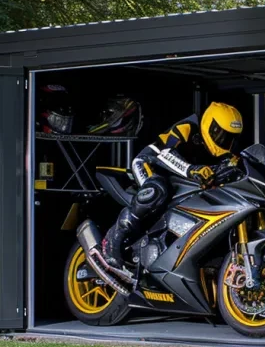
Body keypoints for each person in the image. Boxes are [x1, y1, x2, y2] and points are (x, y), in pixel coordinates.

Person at [100, 101, 243, 269]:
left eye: (230, 137)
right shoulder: (188, 127)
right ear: (208, 124)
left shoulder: (226, 151)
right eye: (221, 134)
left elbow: (235, 163)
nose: (225, 141)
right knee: (157, 190)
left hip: (182, 179)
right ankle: (114, 238)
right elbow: (164, 152)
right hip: (151, 165)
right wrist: (191, 170)